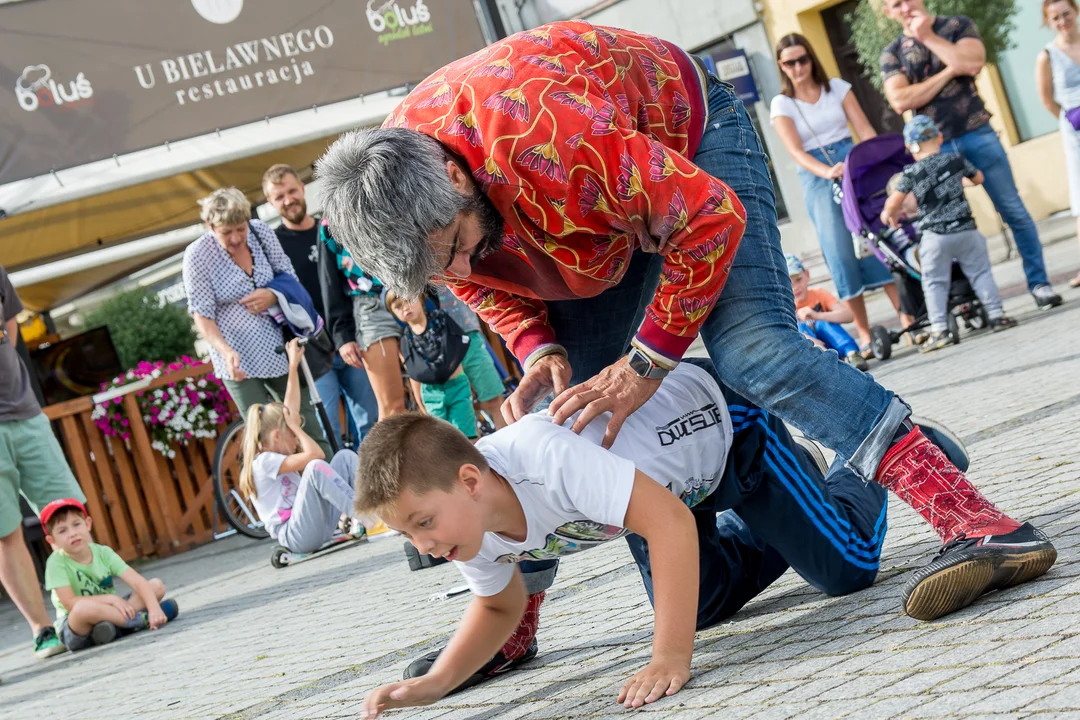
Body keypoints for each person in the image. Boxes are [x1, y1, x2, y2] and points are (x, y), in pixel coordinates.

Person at [316, 20, 1055, 687]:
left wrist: (647, 363)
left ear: (453, 177)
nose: (458, 273)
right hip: (588, 206)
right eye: (437, 269)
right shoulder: (402, 199)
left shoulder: (552, 137)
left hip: (684, 146)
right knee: (561, 417)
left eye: (452, 249)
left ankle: (978, 522)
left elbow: (704, 216)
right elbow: (480, 282)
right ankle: (515, 627)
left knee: (752, 352)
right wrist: (537, 345)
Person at [355, 363, 1005, 717]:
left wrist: (670, 658)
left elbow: (662, 524)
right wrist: (437, 684)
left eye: (422, 524)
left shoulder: (542, 458)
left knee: (848, 572)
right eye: (408, 535)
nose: (424, 545)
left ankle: (871, 464)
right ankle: (793, 515)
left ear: (470, 480)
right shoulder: (469, 534)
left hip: (728, 438)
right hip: (663, 495)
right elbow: (498, 607)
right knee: (697, 605)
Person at [880, 0, 1064, 310]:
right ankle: (975, 300)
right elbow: (900, 99)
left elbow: (972, 64)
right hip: (933, 147)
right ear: (887, 12)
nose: (904, 6)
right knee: (947, 224)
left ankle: (1040, 284)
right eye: (895, 3)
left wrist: (928, 38)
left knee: (1013, 211)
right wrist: (950, 69)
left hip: (978, 133)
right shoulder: (892, 52)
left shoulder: (956, 26)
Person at [771, 33, 903, 355]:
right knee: (840, 252)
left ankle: (907, 318)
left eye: (803, 59)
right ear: (781, 66)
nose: (798, 67)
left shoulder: (837, 88)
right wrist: (826, 171)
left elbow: (865, 129)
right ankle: (864, 334)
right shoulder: (782, 104)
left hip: (854, 164)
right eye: (790, 62)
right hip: (819, 176)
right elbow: (795, 151)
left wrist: (871, 162)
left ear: (811, 58)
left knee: (877, 240)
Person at [182, 187, 330, 456]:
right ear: (209, 225)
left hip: (279, 348)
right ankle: (284, 496)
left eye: (241, 228)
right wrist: (226, 352)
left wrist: (272, 294)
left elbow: (288, 274)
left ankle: (331, 485)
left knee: (304, 421)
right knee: (264, 439)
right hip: (238, 360)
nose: (237, 238)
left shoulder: (261, 232)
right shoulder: (197, 255)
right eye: (227, 232)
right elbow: (202, 315)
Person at [0, 264, 86, 658]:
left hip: (25, 410)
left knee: (68, 510)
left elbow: (10, 325)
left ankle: (86, 609)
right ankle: (42, 629)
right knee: (6, 532)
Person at [263, 164, 379, 444]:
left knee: (371, 422)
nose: (288, 199)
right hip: (311, 351)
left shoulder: (332, 231)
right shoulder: (274, 246)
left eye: (291, 191)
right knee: (328, 431)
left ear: (303, 189)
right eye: (279, 196)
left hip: (351, 337)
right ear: (270, 202)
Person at [881, 116, 1018, 352]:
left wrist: (888, 215)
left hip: (935, 237)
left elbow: (895, 200)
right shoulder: (955, 160)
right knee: (980, 272)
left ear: (910, 147)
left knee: (934, 282)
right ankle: (997, 316)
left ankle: (940, 330)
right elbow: (978, 179)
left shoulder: (912, 172)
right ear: (940, 138)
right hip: (966, 230)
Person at [239, 339, 365, 553]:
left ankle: (377, 505)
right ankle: (366, 517)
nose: (296, 440)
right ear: (278, 436)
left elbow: (291, 410)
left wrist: (293, 366)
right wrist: (297, 428)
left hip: (315, 524)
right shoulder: (263, 462)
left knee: (344, 457)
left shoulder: (274, 454)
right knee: (315, 467)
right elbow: (315, 455)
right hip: (294, 534)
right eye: (292, 435)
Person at [41, 498, 179, 652]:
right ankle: (139, 621)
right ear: (52, 540)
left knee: (156, 586)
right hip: (76, 626)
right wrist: (112, 599)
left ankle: (111, 628)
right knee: (82, 608)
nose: (72, 533)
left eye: (76, 524)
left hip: (111, 610)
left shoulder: (103, 552)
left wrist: (154, 608)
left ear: (87, 524)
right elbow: (69, 603)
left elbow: (137, 582)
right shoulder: (56, 563)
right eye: (62, 530)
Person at [319, 222, 408, 421]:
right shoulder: (330, 222)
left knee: (432, 394)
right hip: (370, 306)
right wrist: (342, 335)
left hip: (410, 294)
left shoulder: (397, 193)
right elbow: (329, 283)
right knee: (393, 408)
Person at [386, 289, 481, 439]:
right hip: (431, 393)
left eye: (408, 300)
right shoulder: (405, 341)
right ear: (392, 313)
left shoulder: (441, 319)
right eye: (398, 306)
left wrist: (468, 383)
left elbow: (457, 352)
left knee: (467, 435)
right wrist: (421, 404)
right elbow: (414, 374)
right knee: (443, 440)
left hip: (457, 385)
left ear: (421, 298)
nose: (405, 307)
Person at [1036, 0, 1080, 288]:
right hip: (1075, 128)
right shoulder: (1047, 56)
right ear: (1048, 22)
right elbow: (1047, 99)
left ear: (1076, 12)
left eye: (1066, 14)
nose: (1062, 20)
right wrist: (1068, 119)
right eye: (1055, 17)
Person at [433, 286, 507, 430]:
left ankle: (510, 448)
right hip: (432, 343)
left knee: (493, 398)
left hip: (466, 329)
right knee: (459, 409)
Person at [786, 255, 868, 370]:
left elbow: (848, 316)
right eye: (789, 284)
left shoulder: (819, 294)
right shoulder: (786, 306)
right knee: (799, 330)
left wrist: (817, 315)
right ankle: (825, 360)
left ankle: (852, 353)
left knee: (823, 323)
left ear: (807, 275)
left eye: (798, 280)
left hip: (834, 345)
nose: (795, 288)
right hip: (811, 353)